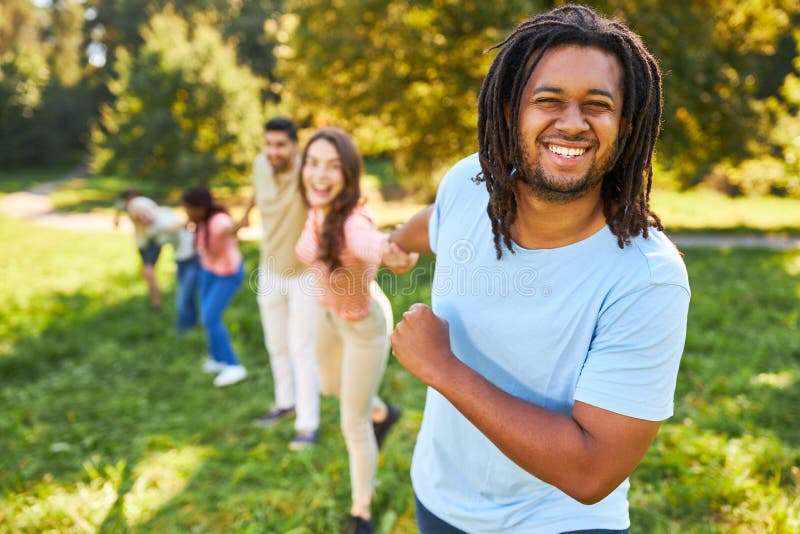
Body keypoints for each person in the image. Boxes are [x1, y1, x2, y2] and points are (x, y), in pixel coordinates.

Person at [388, 5, 691, 533]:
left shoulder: (647, 278)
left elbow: (592, 471)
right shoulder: (469, 183)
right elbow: (437, 221)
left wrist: (443, 369)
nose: (572, 123)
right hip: (440, 500)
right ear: (509, 112)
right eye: (548, 100)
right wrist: (390, 244)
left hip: (558, 520)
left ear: (626, 125)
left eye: (597, 105)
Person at [295, 127, 416, 534]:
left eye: (332, 166)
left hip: (363, 326)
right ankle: (384, 412)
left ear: (348, 172)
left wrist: (391, 251)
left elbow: (371, 243)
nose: (320, 174)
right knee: (330, 387)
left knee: (352, 422)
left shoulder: (352, 221)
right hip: (326, 314)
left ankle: (361, 511)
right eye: (313, 163)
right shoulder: (317, 208)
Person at [235, 117, 321, 450]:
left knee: (302, 348)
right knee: (276, 344)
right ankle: (285, 402)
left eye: (280, 145)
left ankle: (307, 424)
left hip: (304, 273)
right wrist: (244, 215)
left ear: (295, 146)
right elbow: (256, 192)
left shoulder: (308, 170)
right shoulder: (260, 164)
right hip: (270, 268)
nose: (273, 151)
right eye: (268, 144)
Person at [183, 186, 247, 388]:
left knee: (210, 317)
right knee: (207, 316)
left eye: (190, 208)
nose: (187, 212)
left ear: (202, 207)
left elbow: (229, 229)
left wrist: (239, 224)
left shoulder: (218, 221)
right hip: (208, 270)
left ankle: (234, 366)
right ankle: (217, 359)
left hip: (227, 274)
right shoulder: (199, 221)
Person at [114, 189, 200, 332]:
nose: (144, 218)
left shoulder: (161, 216)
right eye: (139, 218)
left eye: (144, 214)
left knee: (185, 295)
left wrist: (190, 222)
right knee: (187, 294)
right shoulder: (152, 229)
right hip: (182, 257)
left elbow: (174, 226)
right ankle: (192, 324)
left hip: (192, 256)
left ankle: (184, 329)